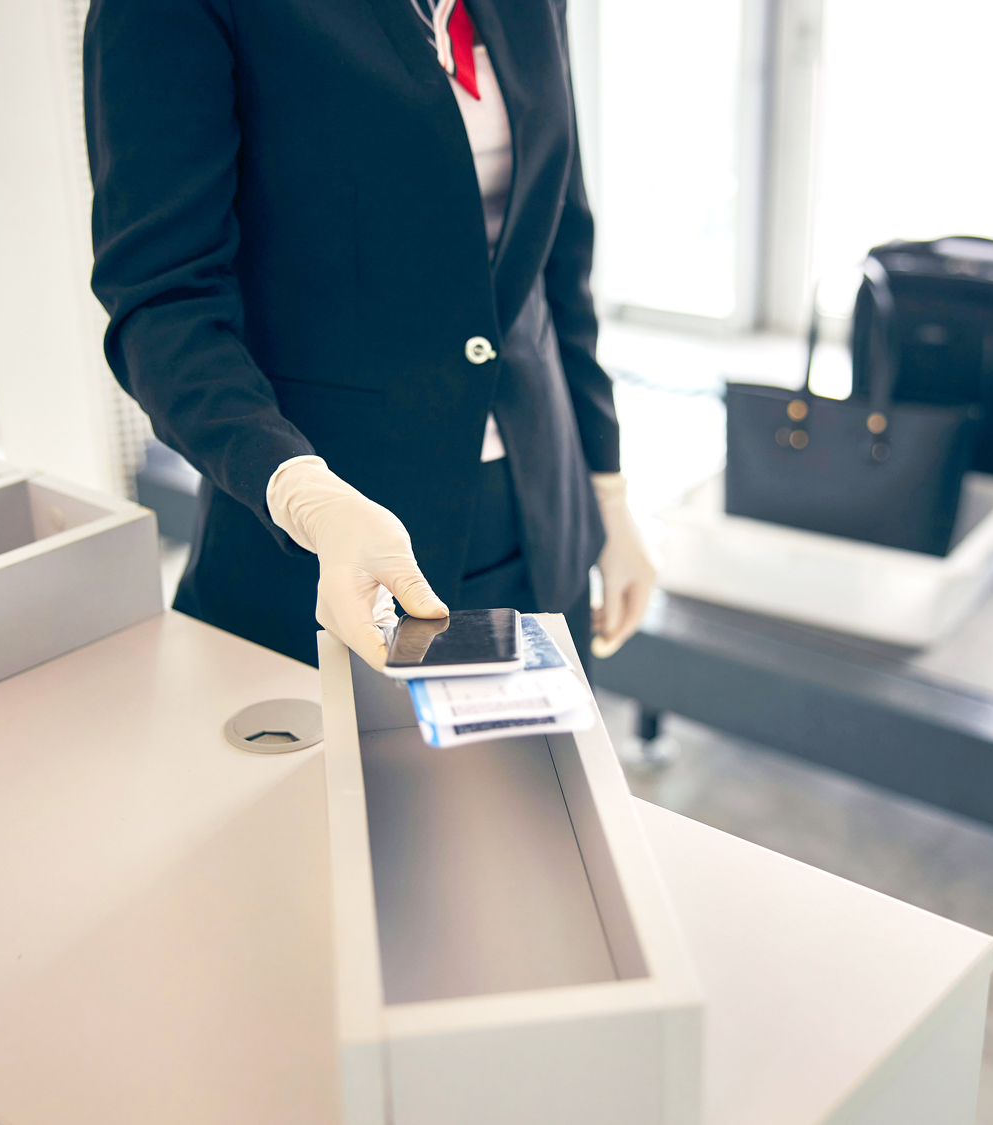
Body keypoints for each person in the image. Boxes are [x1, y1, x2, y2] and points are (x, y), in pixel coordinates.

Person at [84, 0, 654, 673]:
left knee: (535, 778)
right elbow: (163, 300)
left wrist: (606, 488)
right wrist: (304, 494)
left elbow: (560, 246)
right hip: (330, 545)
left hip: (537, 517)